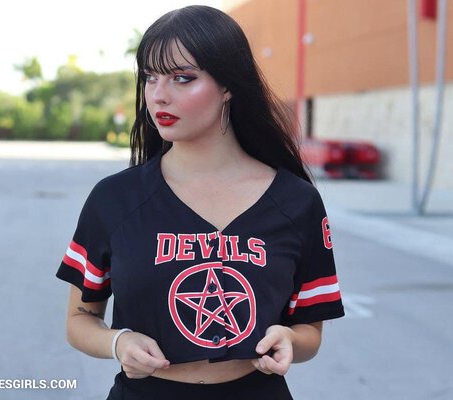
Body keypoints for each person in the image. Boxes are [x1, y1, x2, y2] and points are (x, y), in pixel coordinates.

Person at [56, 5, 344, 400]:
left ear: (228, 86)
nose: (159, 95)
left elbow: (310, 332)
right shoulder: (115, 199)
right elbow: (79, 319)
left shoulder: (296, 201)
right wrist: (118, 343)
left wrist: (289, 339)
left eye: (182, 78)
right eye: (150, 77)